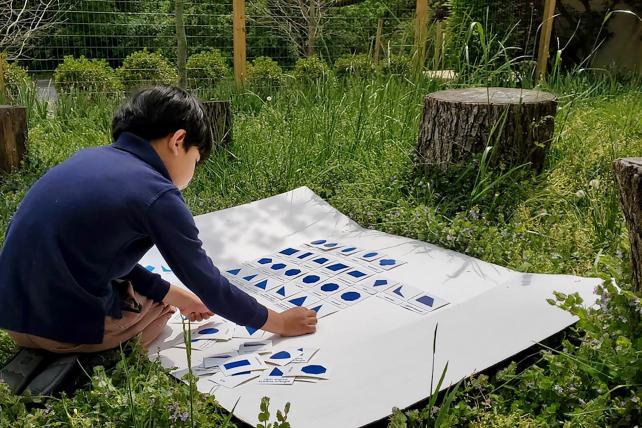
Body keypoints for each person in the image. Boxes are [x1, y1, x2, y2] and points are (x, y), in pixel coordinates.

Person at [0, 85, 317, 353]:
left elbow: (99, 257)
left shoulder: (87, 158)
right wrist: (279, 322)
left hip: (14, 319)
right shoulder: (156, 191)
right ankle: (98, 357)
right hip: (60, 333)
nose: (193, 171)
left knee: (155, 293)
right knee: (159, 310)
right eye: (197, 160)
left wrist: (179, 295)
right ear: (178, 141)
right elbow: (206, 280)